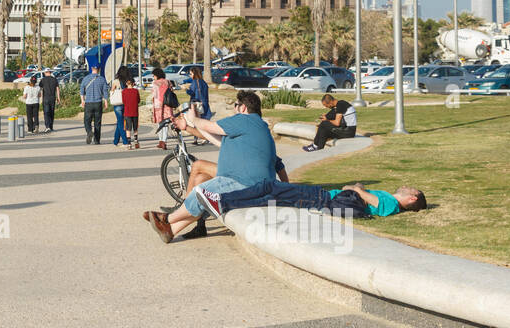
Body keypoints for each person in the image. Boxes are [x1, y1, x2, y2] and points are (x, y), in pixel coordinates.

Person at [144, 179, 428, 243]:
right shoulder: (391, 201)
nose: (405, 187)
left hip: (320, 198)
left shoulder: (391, 203)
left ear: (412, 199)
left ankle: (222, 201)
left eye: (409, 189)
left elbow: (372, 203)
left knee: (270, 187)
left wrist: (357, 187)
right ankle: (173, 222)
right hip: (321, 198)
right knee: (269, 192)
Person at [162, 90, 283, 238]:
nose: (234, 109)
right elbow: (213, 137)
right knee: (200, 180)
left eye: (236, 105)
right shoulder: (257, 127)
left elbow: (212, 127)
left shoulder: (244, 121)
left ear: (243, 107)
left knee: (200, 185)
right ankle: (172, 230)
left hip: (244, 181)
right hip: (253, 182)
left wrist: (193, 119)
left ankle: (168, 218)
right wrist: (188, 126)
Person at [80, 66, 110, 145]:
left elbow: (82, 91)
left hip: (88, 103)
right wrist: (106, 102)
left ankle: (89, 131)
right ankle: (97, 140)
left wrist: (82, 100)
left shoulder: (85, 79)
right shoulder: (102, 79)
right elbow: (105, 92)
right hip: (98, 103)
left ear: (92, 69)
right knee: (97, 122)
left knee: (87, 120)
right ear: (99, 70)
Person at [185, 65, 212, 144]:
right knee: (203, 121)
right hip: (205, 103)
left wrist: (186, 90)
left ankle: (197, 138)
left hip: (197, 103)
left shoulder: (194, 82)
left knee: (196, 121)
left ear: (194, 73)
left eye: (191, 74)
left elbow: (192, 92)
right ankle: (203, 138)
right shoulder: (203, 82)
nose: (190, 75)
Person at [150, 68, 172, 149]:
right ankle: (164, 141)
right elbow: (171, 91)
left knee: (159, 123)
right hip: (167, 105)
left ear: (157, 75)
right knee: (165, 123)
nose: (153, 77)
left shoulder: (155, 83)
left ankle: (160, 141)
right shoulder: (167, 81)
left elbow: (154, 94)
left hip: (158, 105)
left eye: (154, 75)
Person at [111, 66, 132, 147]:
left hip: (117, 104)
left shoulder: (116, 81)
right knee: (121, 122)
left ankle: (125, 141)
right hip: (126, 104)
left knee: (120, 122)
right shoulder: (128, 81)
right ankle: (115, 141)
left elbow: (112, 91)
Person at [121, 71, 141, 149]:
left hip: (127, 112)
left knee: (128, 128)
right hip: (135, 112)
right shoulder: (136, 91)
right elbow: (138, 100)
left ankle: (129, 143)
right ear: (133, 83)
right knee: (135, 128)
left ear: (126, 83)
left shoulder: (124, 92)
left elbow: (124, 101)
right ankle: (136, 140)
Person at [39, 67, 60, 132]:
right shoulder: (54, 79)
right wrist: (58, 98)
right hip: (53, 98)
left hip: (46, 98)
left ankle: (47, 126)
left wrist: (41, 99)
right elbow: (57, 89)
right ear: (50, 72)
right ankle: (51, 127)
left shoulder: (43, 80)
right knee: (52, 112)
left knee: (46, 112)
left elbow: (41, 90)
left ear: (45, 73)